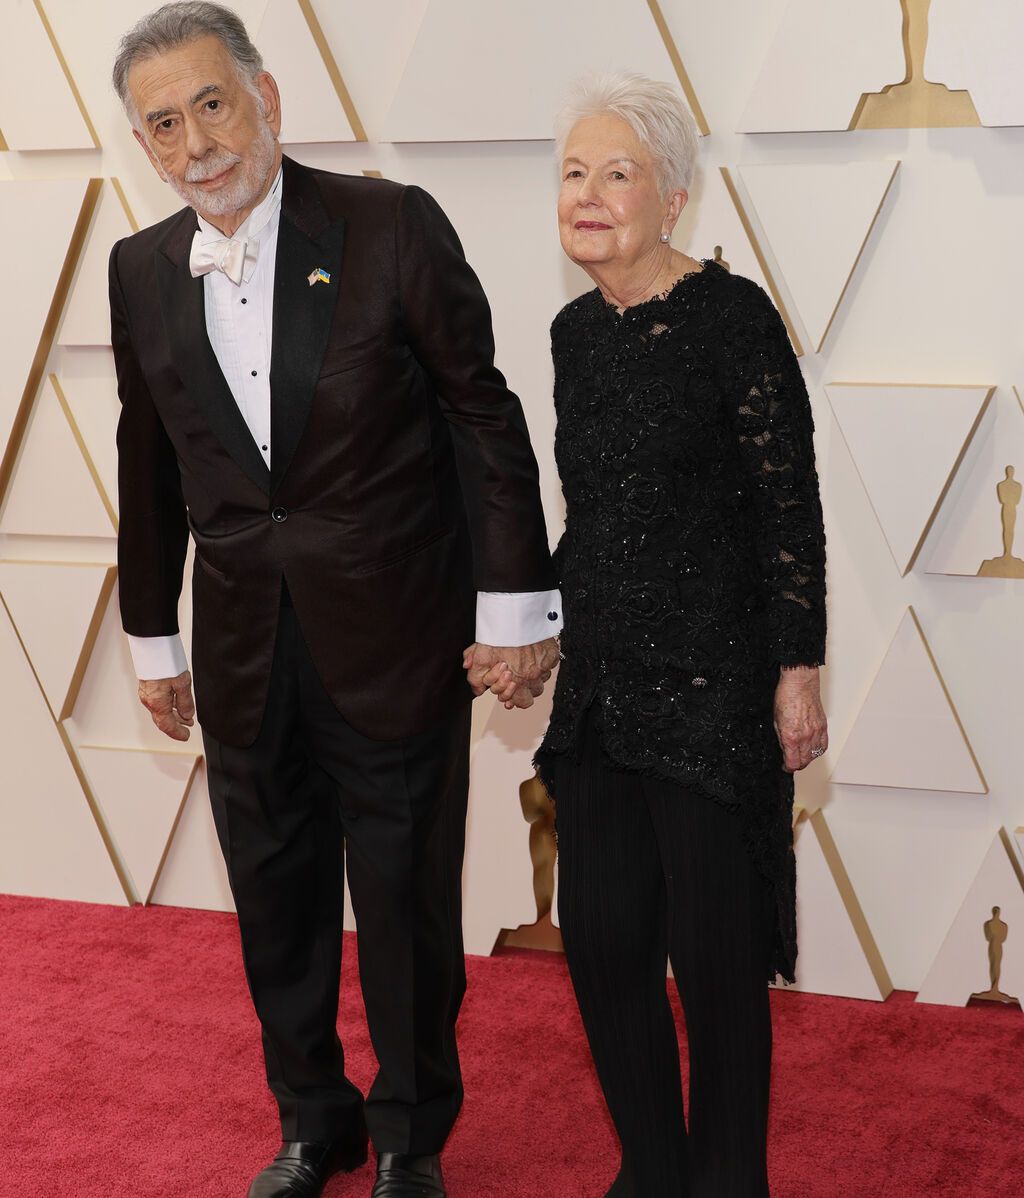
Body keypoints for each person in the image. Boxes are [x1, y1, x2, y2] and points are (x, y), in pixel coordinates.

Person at [108, 4, 560, 1196]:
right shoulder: (138, 270)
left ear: (266, 94)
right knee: (276, 902)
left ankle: (412, 1132)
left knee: (406, 907)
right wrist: (153, 637)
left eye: (212, 102)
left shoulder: (389, 222)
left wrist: (513, 609)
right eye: (164, 123)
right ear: (143, 146)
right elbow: (146, 464)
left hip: (397, 636)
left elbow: (482, 415)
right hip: (246, 646)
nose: (196, 139)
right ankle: (317, 1120)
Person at [520, 73, 828, 1196]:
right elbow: (594, 519)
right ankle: (650, 1169)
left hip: (715, 683)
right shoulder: (571, 335)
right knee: (602, 949)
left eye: (617, 172)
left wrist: (796, 669)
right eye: (572, 172)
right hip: (602, 687)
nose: (588, 193)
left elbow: (786, 504)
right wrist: (541, 632)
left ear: (676, 197)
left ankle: (727, 1178)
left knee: (713, 960)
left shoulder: (732, 320)